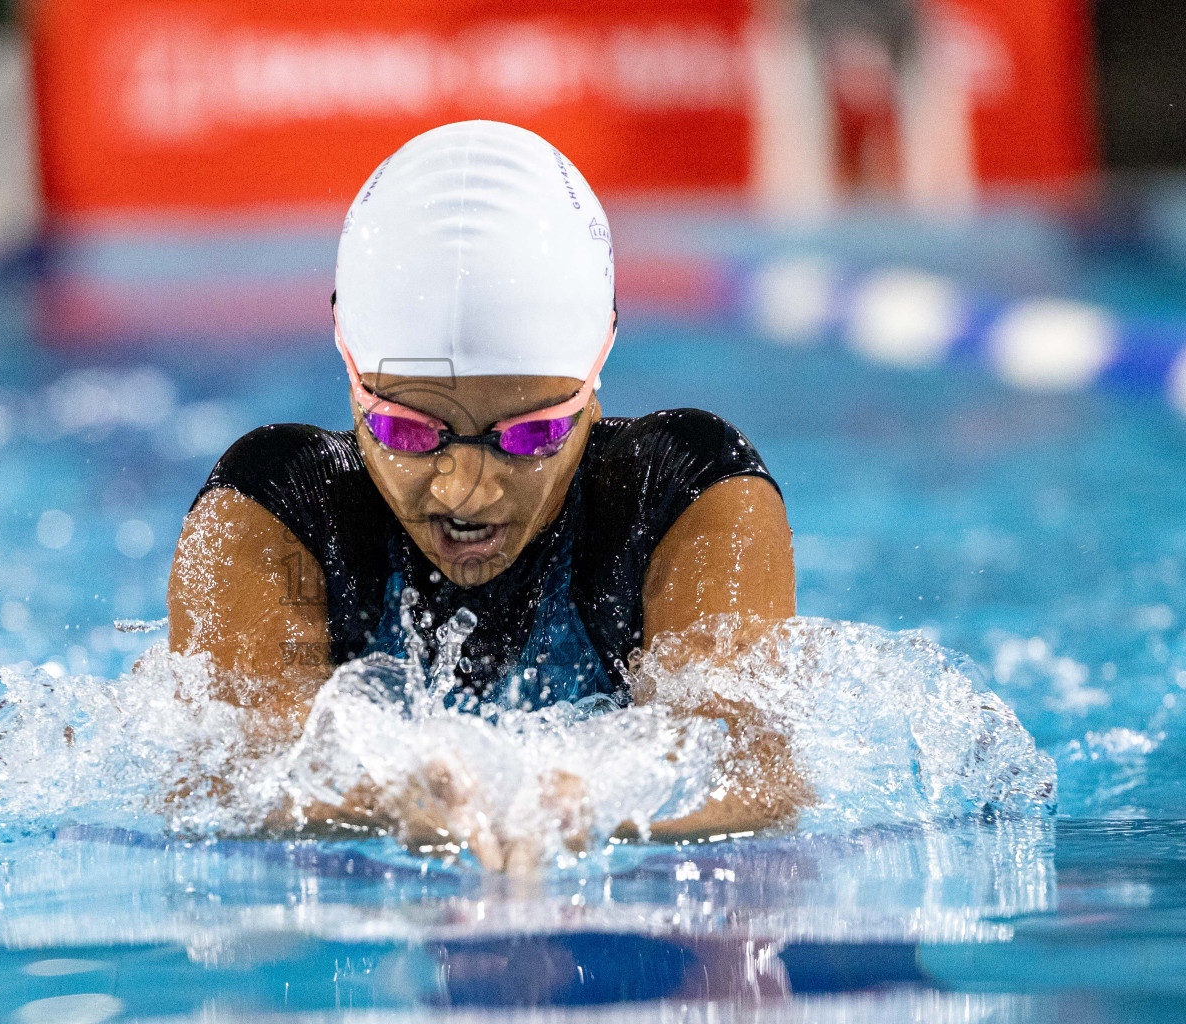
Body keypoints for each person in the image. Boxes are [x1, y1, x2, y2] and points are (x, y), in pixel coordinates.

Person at [166, 121, 801, 868]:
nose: (464, 490)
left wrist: (606, 804)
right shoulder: (277, 511)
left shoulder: (684, 496)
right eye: (410, 432)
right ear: (348, 365)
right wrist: (375, 801)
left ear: (595, 376)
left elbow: (759, 772)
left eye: (530, 436)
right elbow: (213, 778)